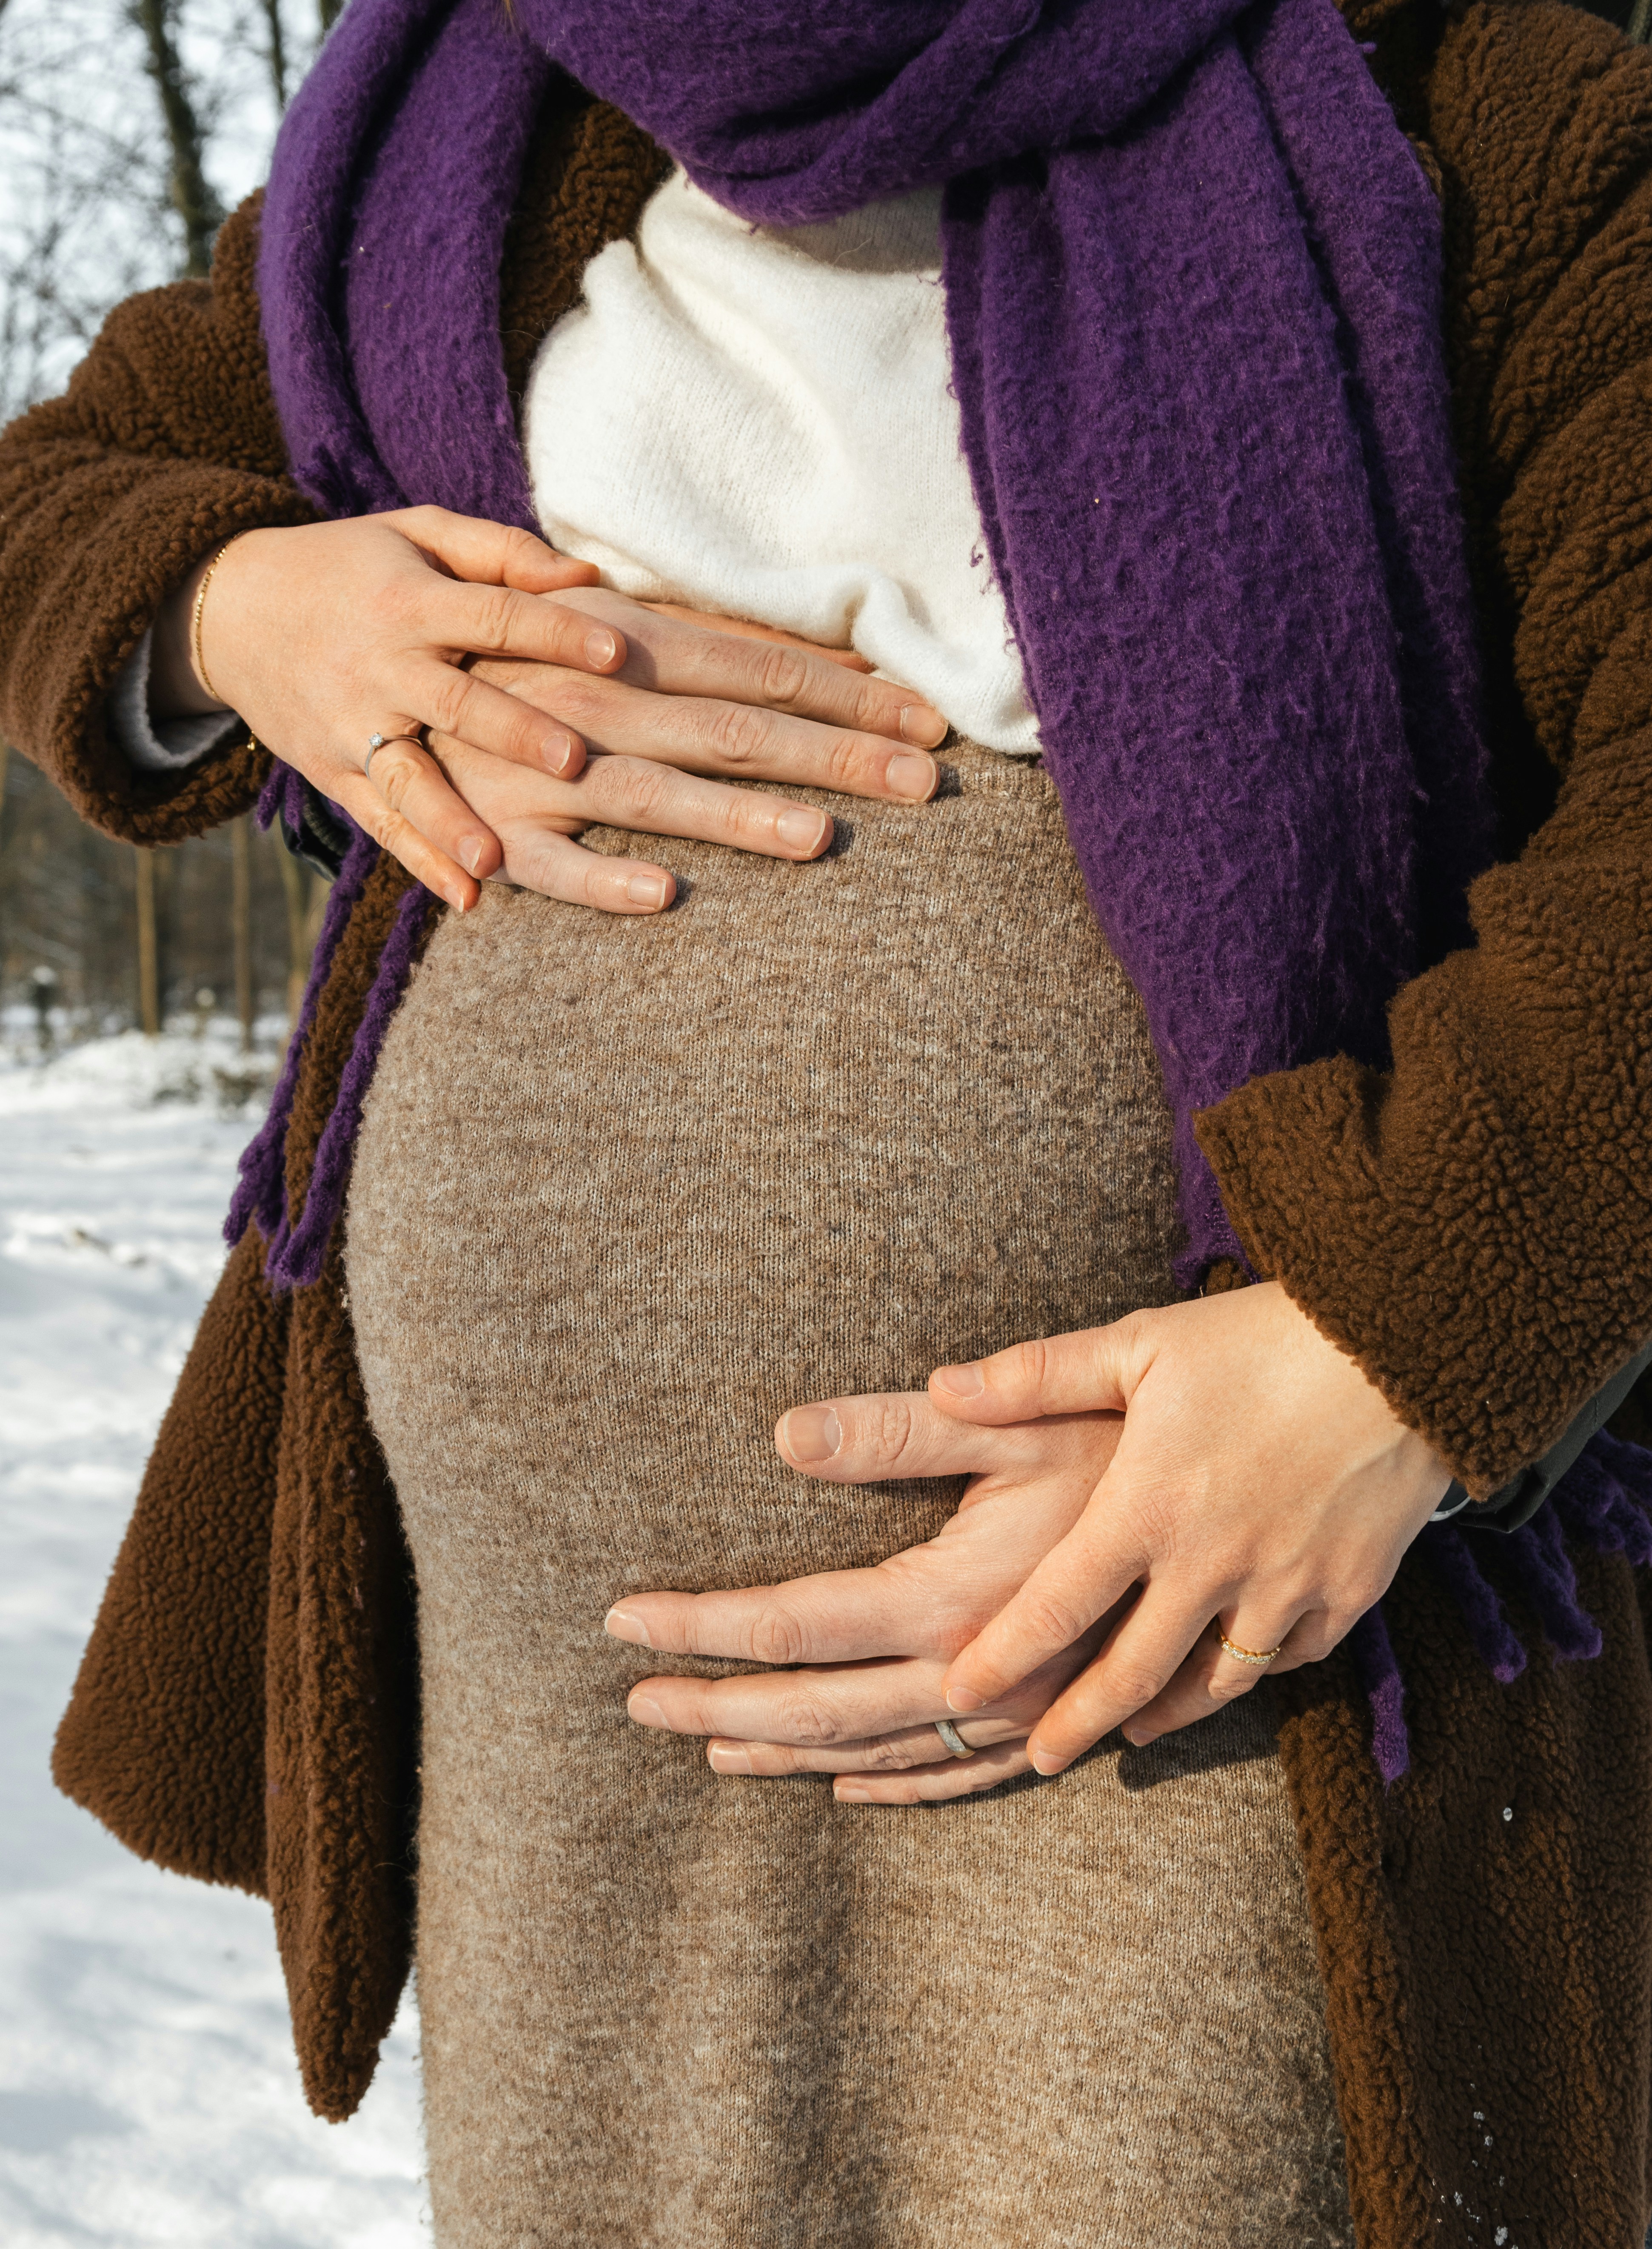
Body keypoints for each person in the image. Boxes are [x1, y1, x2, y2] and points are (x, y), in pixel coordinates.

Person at [5, 0, 1652, 2239]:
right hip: (576, 1734)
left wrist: (1387, 1358)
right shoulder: (479, 117)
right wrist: (243, 603)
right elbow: (50, 496)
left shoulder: (1470, 83)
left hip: (1214, 1666)